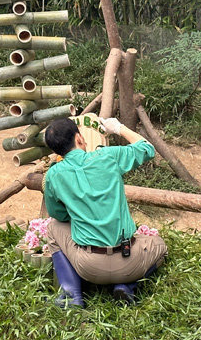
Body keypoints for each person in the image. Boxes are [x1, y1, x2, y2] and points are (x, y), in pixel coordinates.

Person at [43, 116, 168, 308]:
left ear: (55, 151)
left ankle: (71, 296)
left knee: (53, 227)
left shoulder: (53, 174)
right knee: (159, 245)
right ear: (79, 138)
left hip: (88, 267)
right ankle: (126, 286)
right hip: (129, 261)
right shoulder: (107, 156)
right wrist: (119, 128)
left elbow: (58, 215)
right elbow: (147, 149)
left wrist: (79, 211)